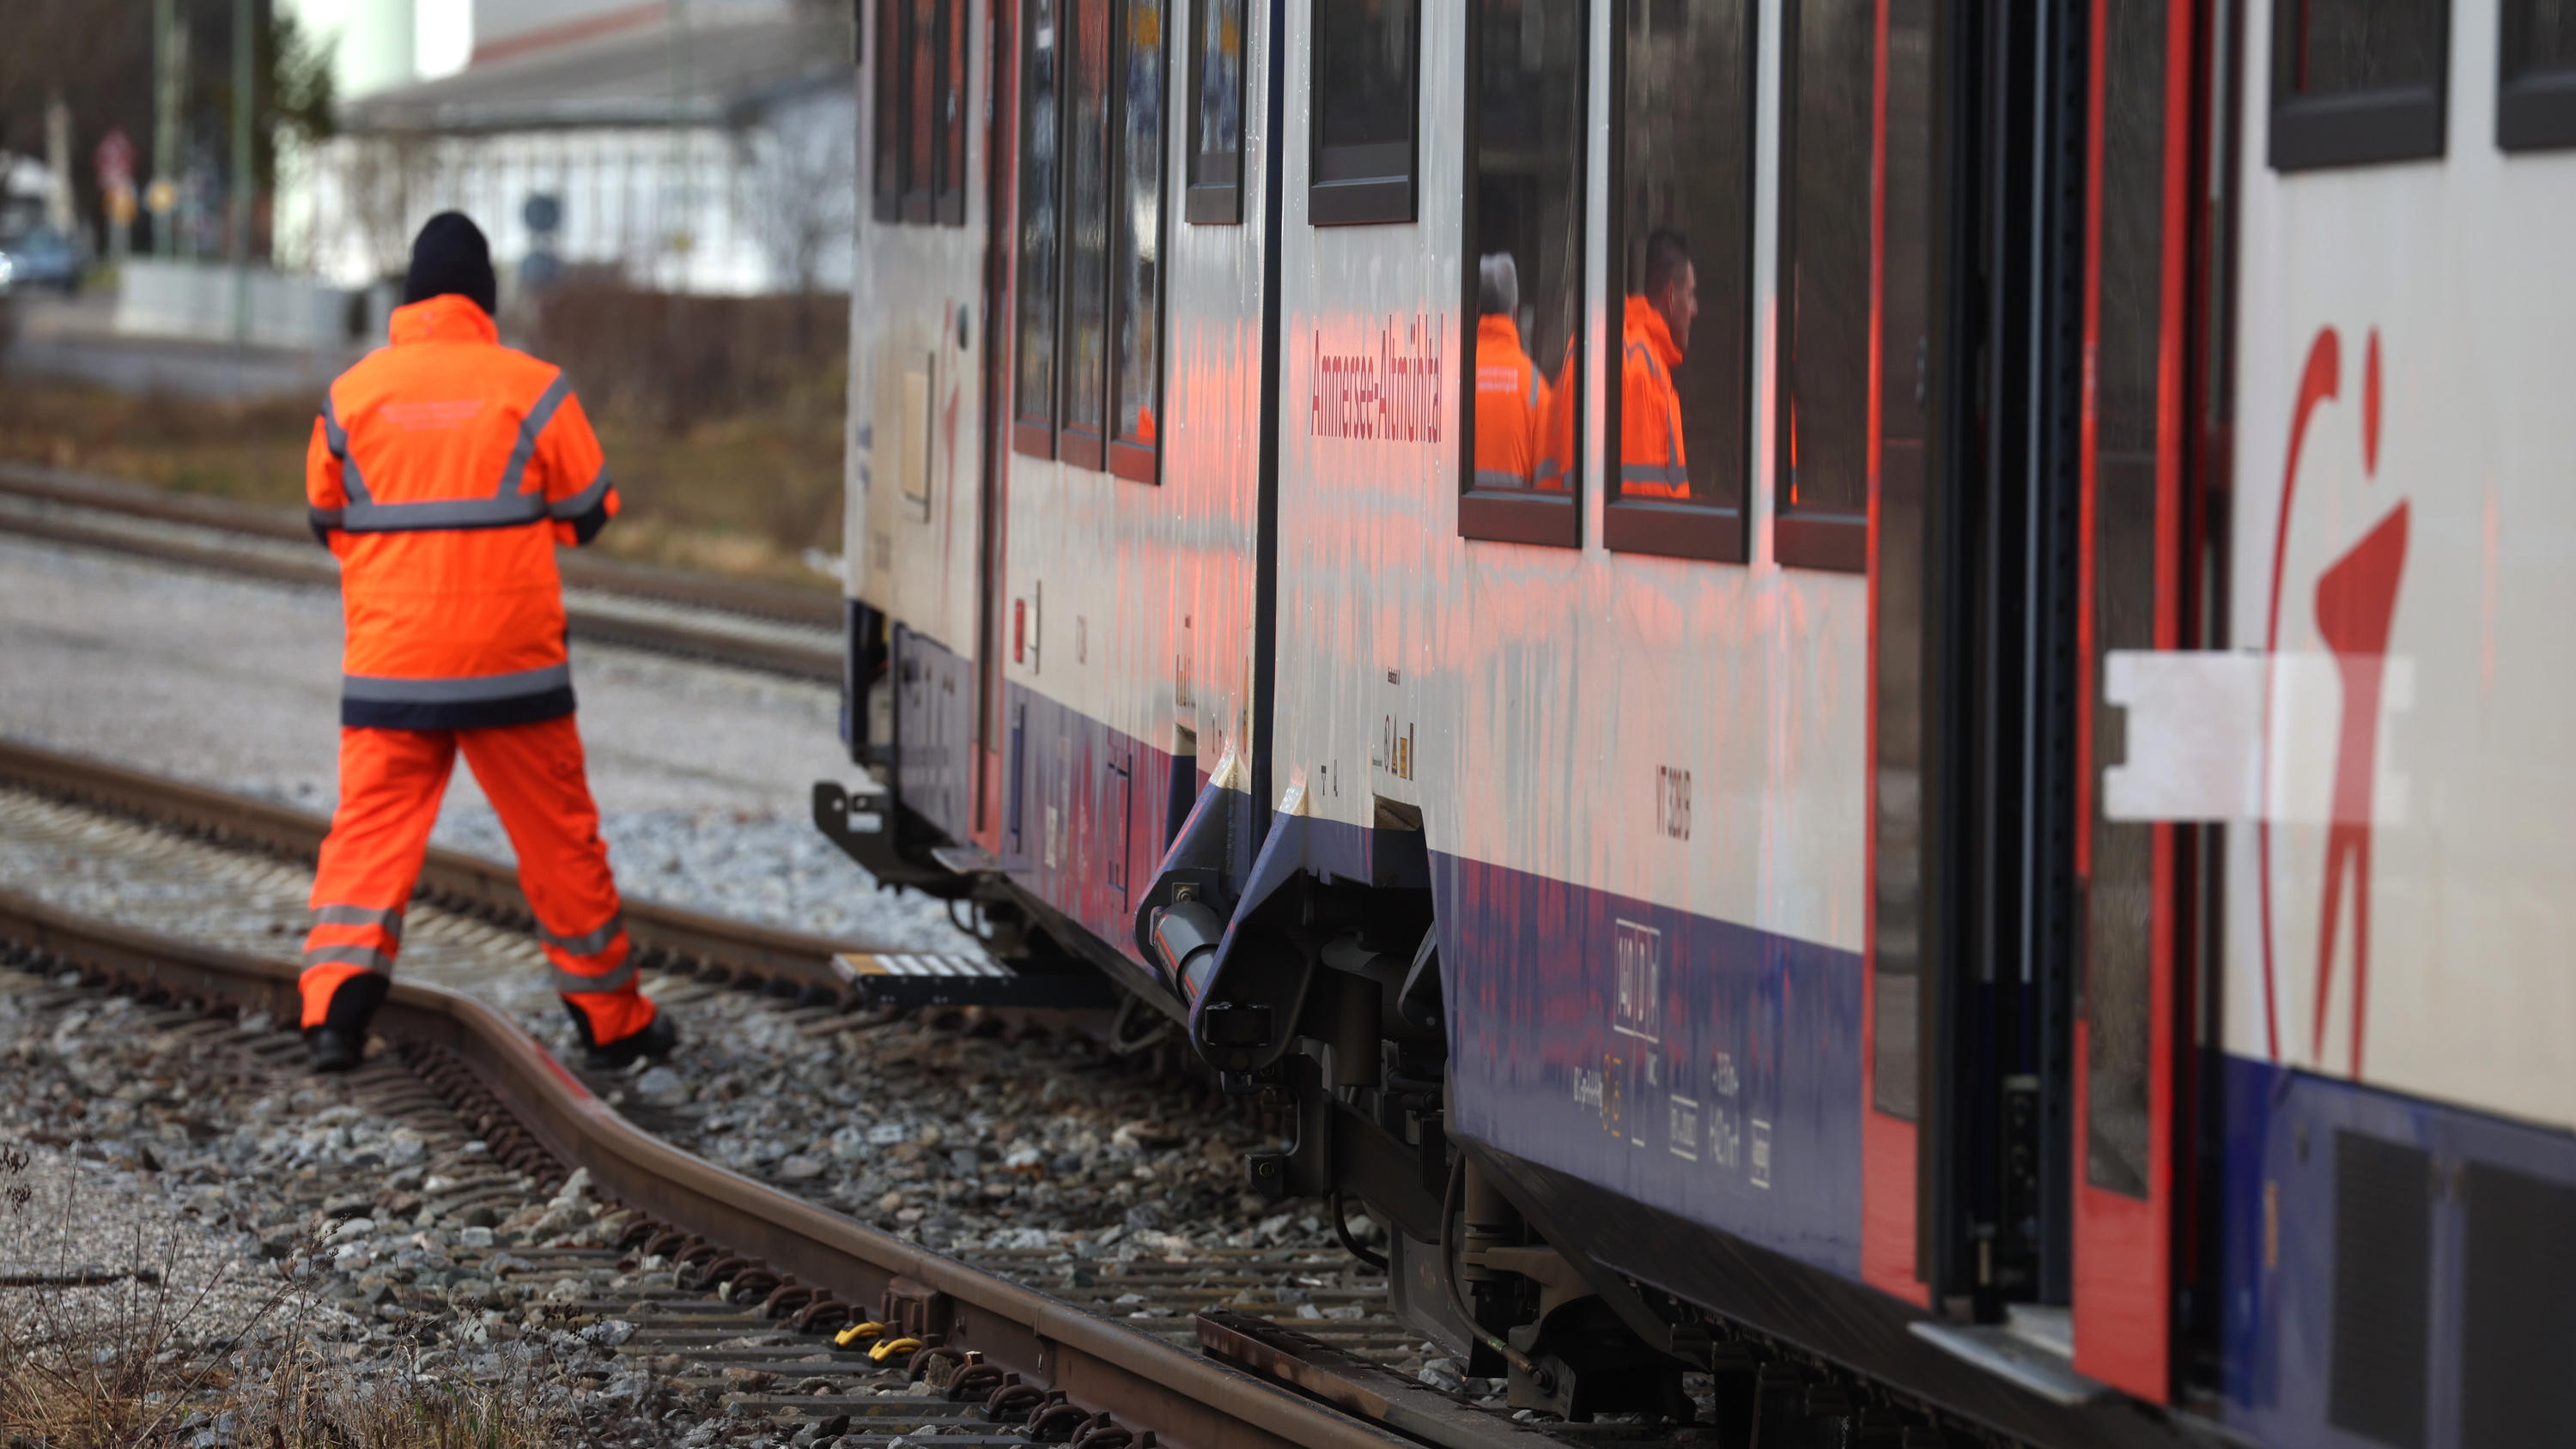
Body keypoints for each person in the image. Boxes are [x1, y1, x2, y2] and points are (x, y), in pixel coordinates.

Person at [299, 211, 676, 1075]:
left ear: (408, 297)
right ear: (484, 299)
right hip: (515, 670)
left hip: (390, 667)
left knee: (366, 837)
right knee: (560, 841)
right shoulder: (533, 388)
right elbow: (590, 515)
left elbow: (328, 521)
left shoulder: (350, 397)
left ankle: (334, 1016)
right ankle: (613, 1022)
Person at [1617, 229, 1696, 499]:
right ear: (1672, 297)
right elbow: (1643, 505)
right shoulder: (1644, 371)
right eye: (1691, 294)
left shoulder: (1614, 351)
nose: (1694, 309)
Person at [1472, 253, 1551, 489]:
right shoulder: (1535, 385)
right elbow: (1548, 487)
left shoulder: (1451, 377)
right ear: (1514, 313)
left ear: (1476, 311)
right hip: (1517, 525)